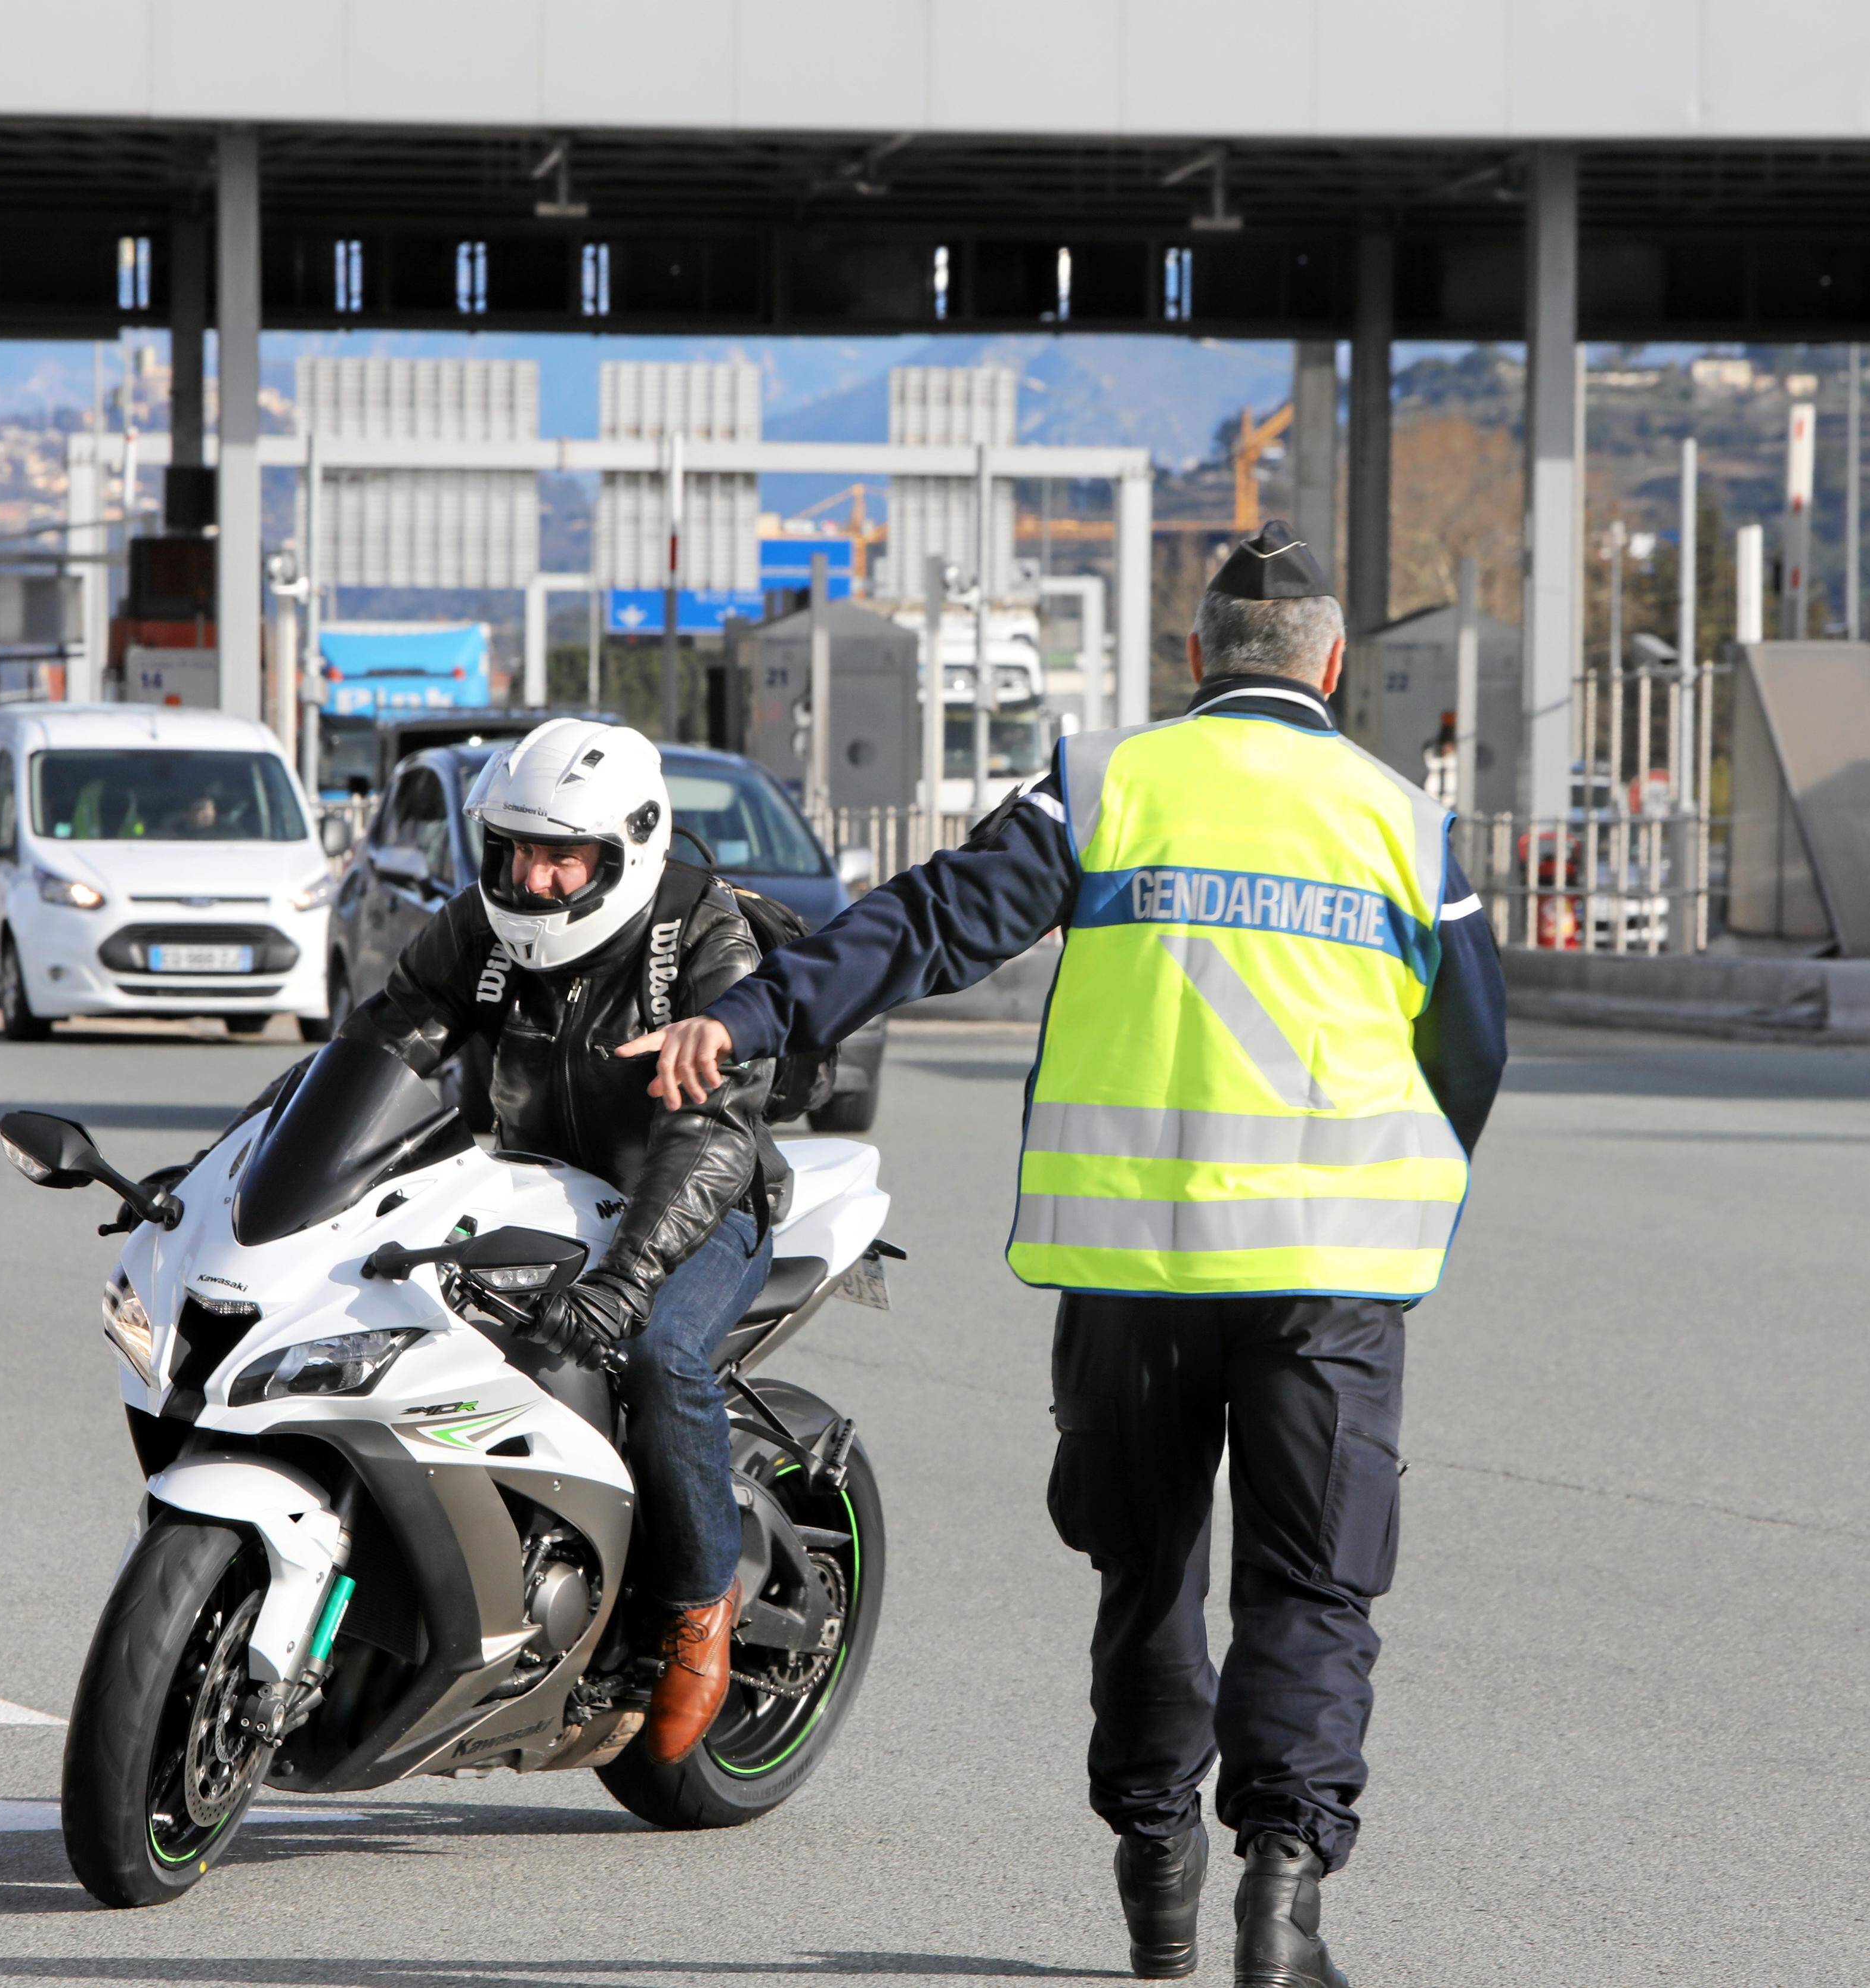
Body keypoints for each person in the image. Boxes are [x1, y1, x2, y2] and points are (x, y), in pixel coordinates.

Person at [624, 520, 1505, 1987]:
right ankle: (1280, 1901)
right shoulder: (1402, 819)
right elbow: (1470, 1046)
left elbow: (935, 922)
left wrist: (761, 1010)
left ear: (1192, 660)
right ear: (1335, 666)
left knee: (1147, 1569)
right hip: (1330, 1279)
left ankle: (1156, 1876)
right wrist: (1411, 1192)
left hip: (1132, 1270)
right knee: (1314, 1585)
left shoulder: (1111, 778)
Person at [339, 717, 778, 1763]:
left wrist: (628, 1280)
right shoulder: (480, 930)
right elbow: (381, 1038)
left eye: (561, 856)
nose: (533, 880)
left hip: (690, 1204)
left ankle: (695, 1606)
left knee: (659, 1352)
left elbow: (713, 1134)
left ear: (624, 850)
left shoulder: (703, 937)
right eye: (517, 851)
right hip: (535, 1188)